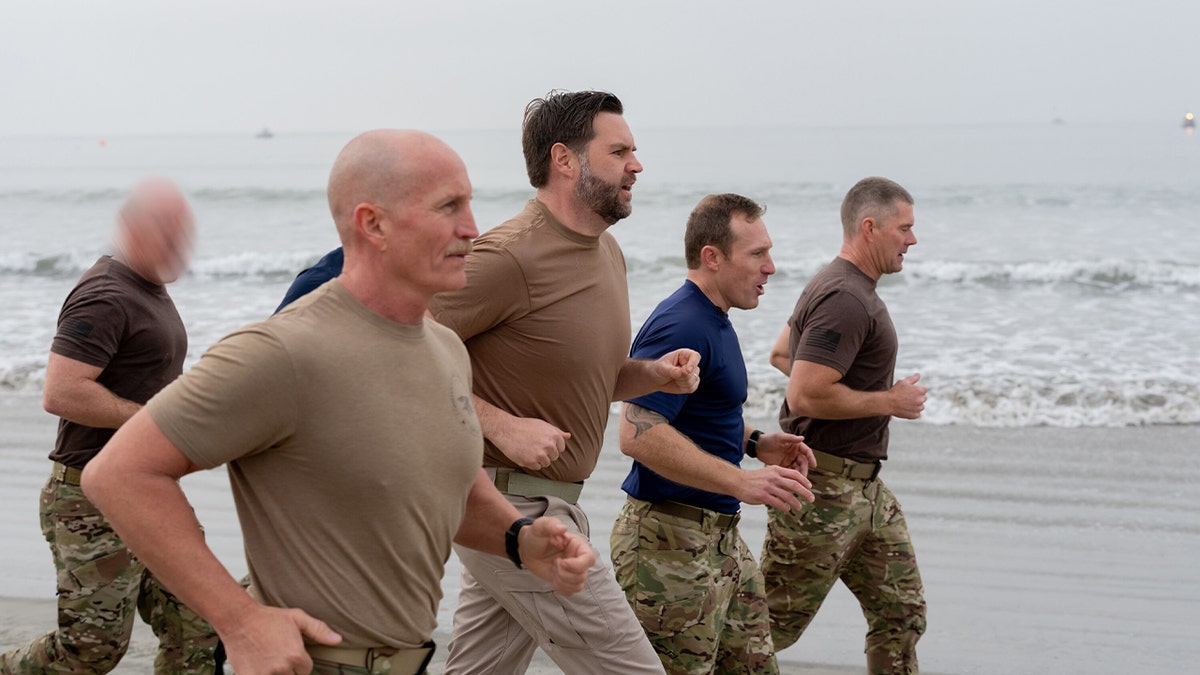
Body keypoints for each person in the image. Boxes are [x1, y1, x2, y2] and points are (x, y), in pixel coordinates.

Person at [80, 130, 596, 675]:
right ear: (373, 224)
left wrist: (521, 540)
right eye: (449, 206)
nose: (472, 228)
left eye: (469, 204)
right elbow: (118, 474)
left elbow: (444, 485)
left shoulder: (445, 349)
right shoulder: (284, 351)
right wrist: (238, 620)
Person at [427, 90, 697, 675]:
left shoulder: (608, 252)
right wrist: (500, 424)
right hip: (511, 506)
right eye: (619, 150)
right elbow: (398, 352)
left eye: (635, 150)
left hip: (545, 503)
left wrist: (649, 375)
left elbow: (573, 373)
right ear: (565, 160)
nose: (637, 165)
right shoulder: (506, 257)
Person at [0, 179, 218, 674]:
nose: (179, 247)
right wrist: (155, 424)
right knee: (88, 653)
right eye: (166, 233)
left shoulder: (149, 288)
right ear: (131, 231)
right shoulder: (106, 295)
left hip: (149, 491)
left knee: (201, 620)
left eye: (184, 233)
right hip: (88, 500)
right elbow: (63, 391)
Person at [610, 193, 818, 675]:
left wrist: (754, 443)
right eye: (757, 254)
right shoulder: (682, 322)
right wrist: (742, 481)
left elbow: (696, 411)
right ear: (712, 257)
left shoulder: (714, 318)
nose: (771, 267)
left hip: (721, 540)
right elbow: (636, 432)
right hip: (667, 546)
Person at [760, 177, 928, 674]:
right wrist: (888, 401)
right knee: (769, 628)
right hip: (822, 491)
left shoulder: (836, 284)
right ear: (869, 227)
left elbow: (781, 354)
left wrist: (839, 387)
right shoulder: (845, 298)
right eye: (906, 228)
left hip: (867, 491)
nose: (913, 240)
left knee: (902, 611)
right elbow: (805, 392)